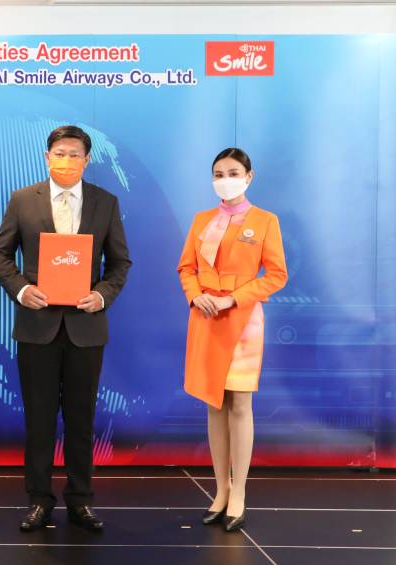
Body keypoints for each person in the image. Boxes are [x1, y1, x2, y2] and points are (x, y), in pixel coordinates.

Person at [0, 125, 131, 532]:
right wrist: (22, 290)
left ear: (86, 160)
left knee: (81, 419)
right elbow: (1, 254)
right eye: (59, 153)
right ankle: (39, 499)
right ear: (46, 157)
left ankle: (80, 500)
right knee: (39, 419)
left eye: (74, 154)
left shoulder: (105, 202)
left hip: (86, 327)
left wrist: (102, 295)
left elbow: (120, 262)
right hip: (37, 326)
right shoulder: (23, 199)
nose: (66, 160)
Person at [177, 147, 287, 532]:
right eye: (219, 174)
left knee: (240, 403)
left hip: (242, 320)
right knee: (214, 403)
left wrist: (233, 298)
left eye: (234, 173)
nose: (226, 180)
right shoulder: (201, 220)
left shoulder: (265, 221)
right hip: (206, 317)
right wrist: (196, 296)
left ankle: (239, 491)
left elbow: (276, 275)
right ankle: (220, 489)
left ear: (249, 176)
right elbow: (186, 268)